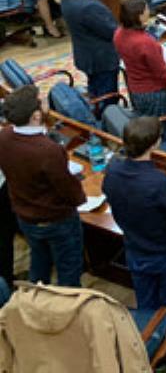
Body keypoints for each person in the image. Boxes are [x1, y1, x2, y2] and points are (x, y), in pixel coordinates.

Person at [102, 116, 166, 371]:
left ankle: (148, 355)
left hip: (136, 251)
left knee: (146, 311)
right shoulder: (159, 182)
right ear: (155, 143)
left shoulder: (113, 172)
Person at [0, 86, 85, 287]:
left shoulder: (3, 137)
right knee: (69, 270)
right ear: (36, 115)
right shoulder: (48, 150)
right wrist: (80, 198)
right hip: (57, 221)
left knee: (39, 262)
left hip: (25, 217)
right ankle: (68, 313)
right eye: (43, 100)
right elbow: (69, 190)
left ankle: (36, 302)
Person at [114, 0, 166, 129]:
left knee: (149, 128)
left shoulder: (118, 34)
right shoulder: (145, 42)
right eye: (146, 9)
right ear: (139, 16)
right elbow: (161, 73)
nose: (149, 11)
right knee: (164, 129)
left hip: (136, 90)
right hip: (156, 94)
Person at [60, 0, 120, 103]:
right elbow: (111, 31)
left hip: (86, 53)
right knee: (108, 97)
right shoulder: (88, 7)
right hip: (101, 59)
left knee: (95, 89)